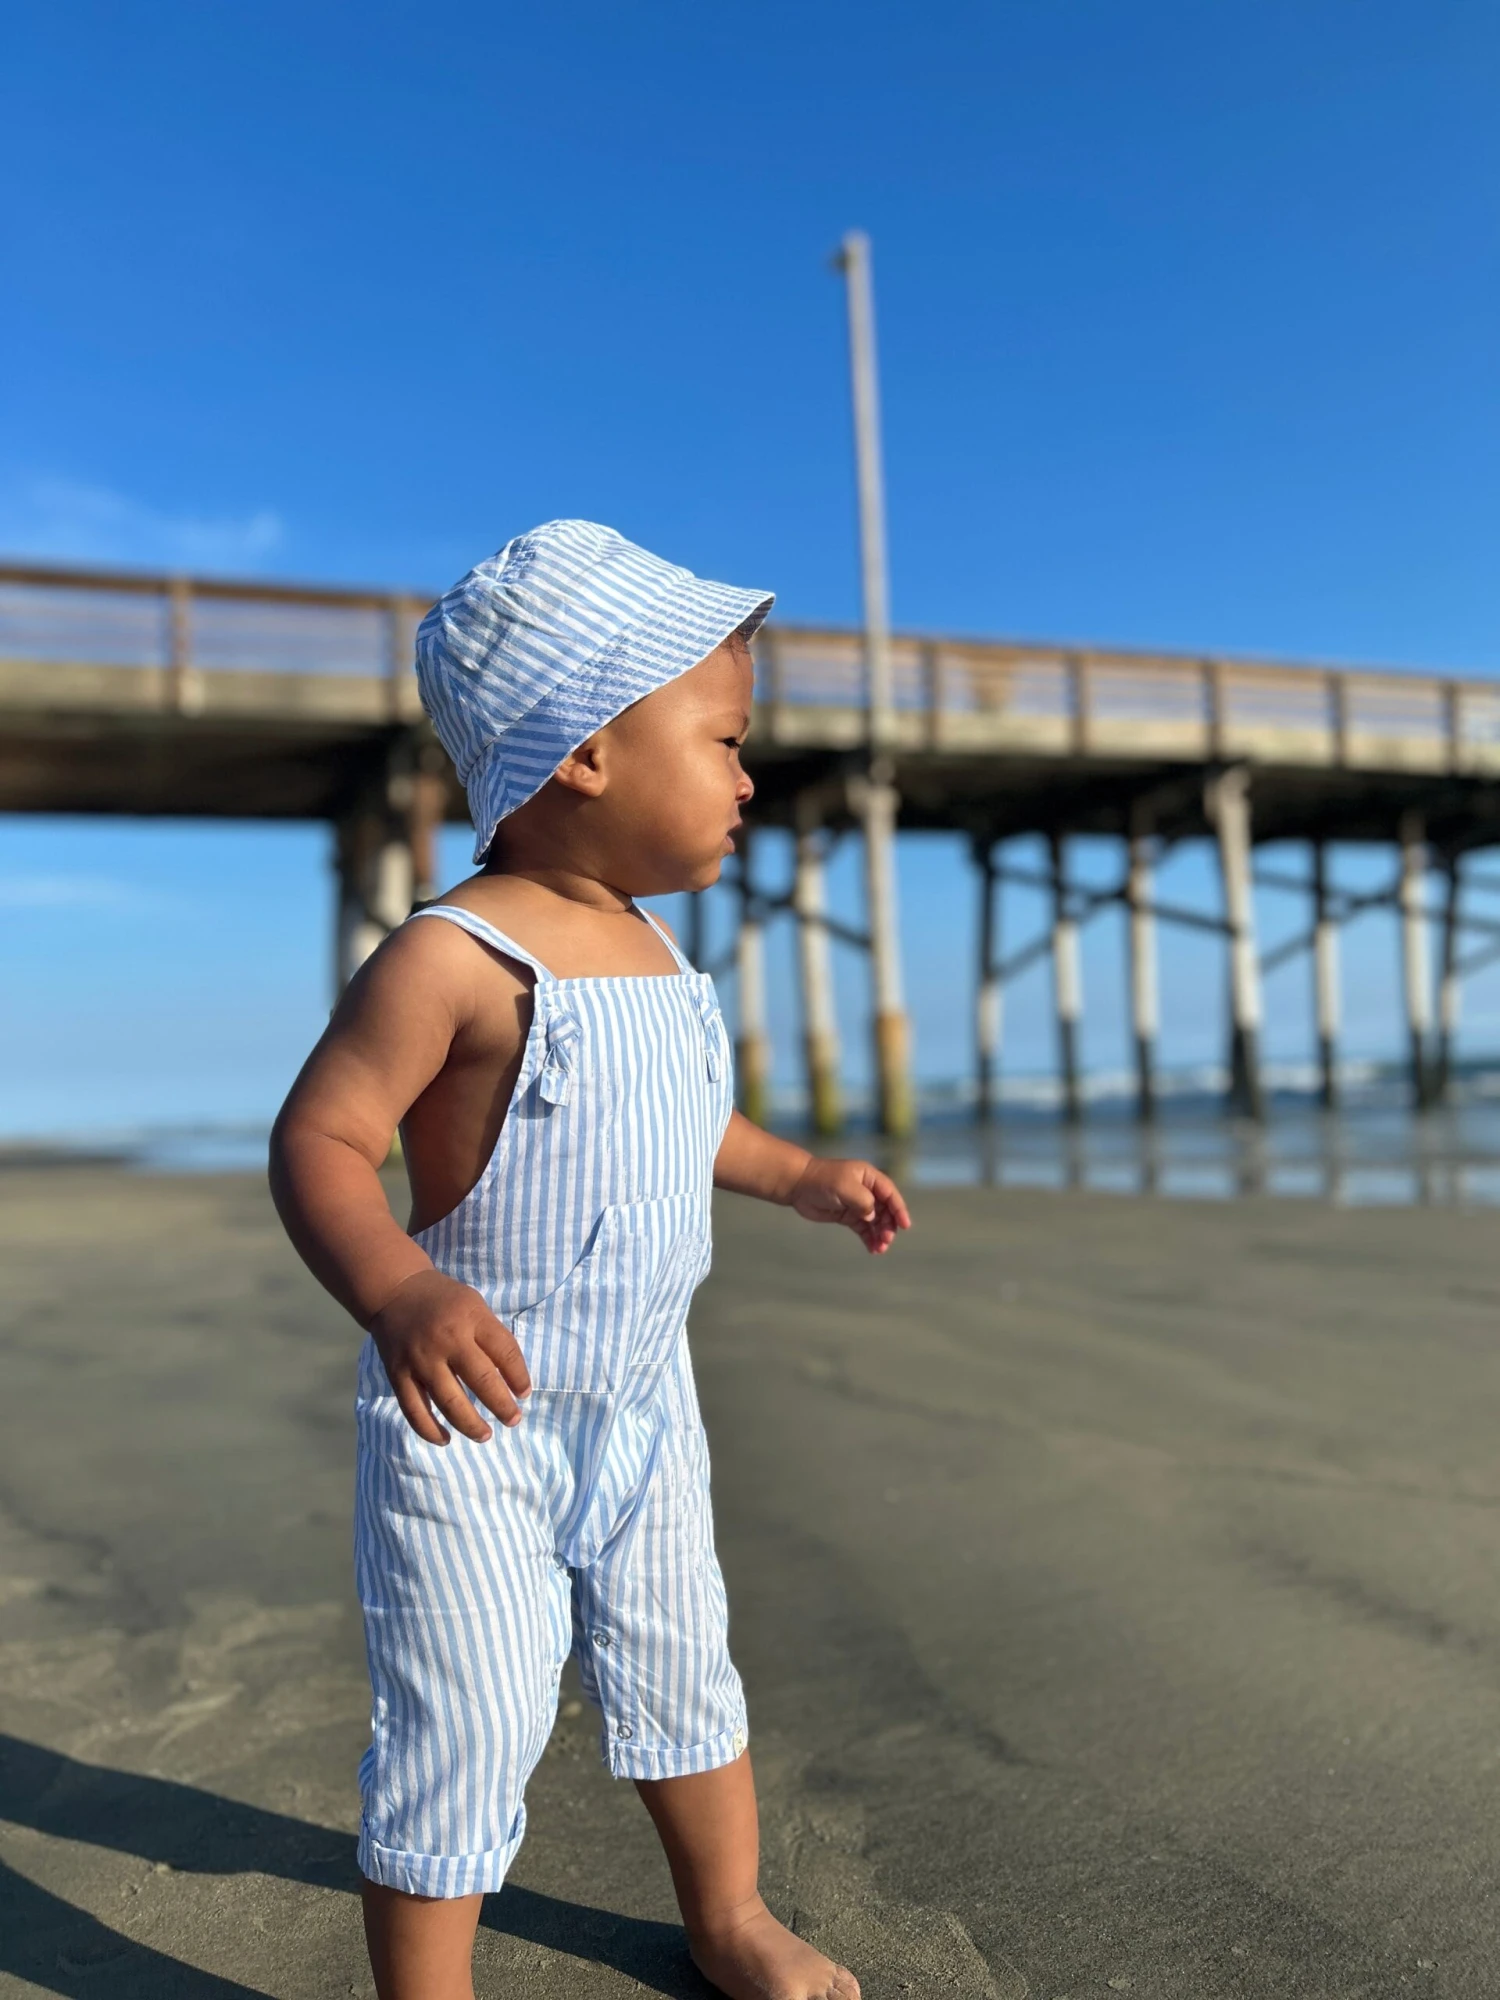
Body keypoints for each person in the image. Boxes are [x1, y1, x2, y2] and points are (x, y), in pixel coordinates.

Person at [270, 519, 910, 2000]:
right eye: (726, 740)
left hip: (643, 1406)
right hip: (473, 1427)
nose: (751, 776)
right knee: (469, 1719)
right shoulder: (455, 956)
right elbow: (321, 1142)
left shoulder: (658, 956)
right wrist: (399, 1287)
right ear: (587, 752)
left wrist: (800, 1175)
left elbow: (680, 1127)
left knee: (689, 1672)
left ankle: (732, 1917)